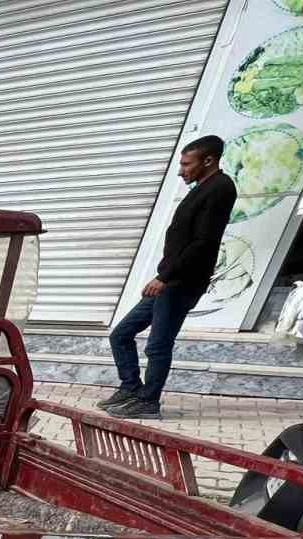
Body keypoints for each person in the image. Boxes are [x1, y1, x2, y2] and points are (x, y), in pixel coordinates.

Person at [103, 135, 236, 421]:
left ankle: (148, 402)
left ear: (209, 160)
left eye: (187, 164)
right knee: (121, 335)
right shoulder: (203, 187)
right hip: (170, 279)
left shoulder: (220, 189)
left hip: (181, 282)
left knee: (158, 345)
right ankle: (131, 389)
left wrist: (164, 277)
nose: (181, 170)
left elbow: (203, 243)